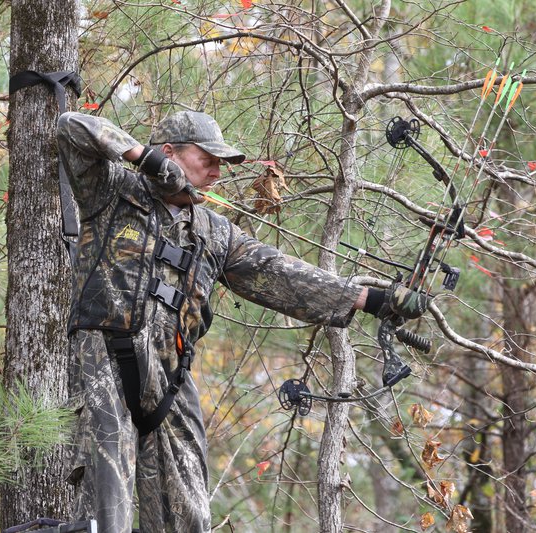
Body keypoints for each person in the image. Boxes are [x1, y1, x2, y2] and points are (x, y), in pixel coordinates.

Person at [56, 110, 426, 532]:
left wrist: (376, 299)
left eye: (220, 164)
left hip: (171, 380)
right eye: (208, 160)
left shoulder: (215, 233)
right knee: (108, 515)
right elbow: (72, 126)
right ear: (170, 152)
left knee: (190, 517)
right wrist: (146, 161)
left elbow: (282, 274)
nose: (216, 172)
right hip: (105, 365)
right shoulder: (112, 192)